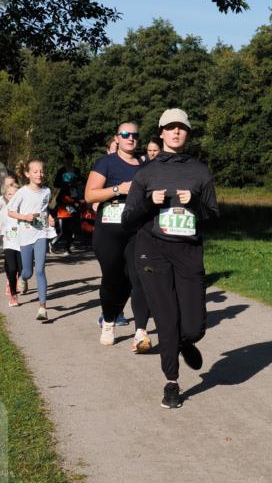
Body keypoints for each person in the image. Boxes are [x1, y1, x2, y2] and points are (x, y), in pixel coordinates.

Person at [122, 108, 219, 409]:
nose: (176, 132)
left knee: (193, 327)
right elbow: (128, 219)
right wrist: (150, 203)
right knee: (166, 318)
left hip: (188, 251)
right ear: (161, 132)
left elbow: (214, 217)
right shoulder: (146, 173)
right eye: (170, 127)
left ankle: (184, 341)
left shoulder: (200, 171)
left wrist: (198, 205)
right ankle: (172, 383)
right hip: (153, 251)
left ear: (187, 133)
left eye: (182, 128)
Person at [84, 123, 152, 352]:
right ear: (117, 138)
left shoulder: (147, 165)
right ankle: (109, 320)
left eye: (134, 134)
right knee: (113, 280)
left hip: (137, 231)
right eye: (125, 134)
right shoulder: (106, 162)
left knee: (140, 278)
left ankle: (141, 332)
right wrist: (118, 189)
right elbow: (89, 195)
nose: (130, 138)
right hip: (109, 233)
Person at [7, 159, 56, 321]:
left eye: (41, 171)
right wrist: (24, 217)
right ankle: (22, 278)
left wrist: (50, 218)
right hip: (25, 235)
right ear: (27, 174)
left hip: (41, 233)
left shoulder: (47, 191)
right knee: (28, 271)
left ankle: (42, 307)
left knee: (41, 269)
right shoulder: (22, 192)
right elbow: (11, 212)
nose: (39, 174)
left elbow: (44, 209)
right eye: (35, 171)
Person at [0, 178, 23, 306]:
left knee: (23, 269)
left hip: (22, 244)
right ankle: (13, 295)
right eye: (10, 194)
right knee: (12, 269)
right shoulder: (3, 212)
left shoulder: (23, 210)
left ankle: (19, 280)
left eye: (15, 194)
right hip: (9, 244)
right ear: (5, 196)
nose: (13, 196)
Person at [52, 152, 84, 254]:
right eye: (67, 159)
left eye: (70, 159)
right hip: (64, 200)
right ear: (64, 160)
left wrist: (76, 183)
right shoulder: (61, 171)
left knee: (73, 223)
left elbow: (82, 181)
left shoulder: (77, 170)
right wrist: (66, 184)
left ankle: (68, 246)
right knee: (64, 224)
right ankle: (55, 243)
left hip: (74, 199)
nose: (68, 161)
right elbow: (56, 183)